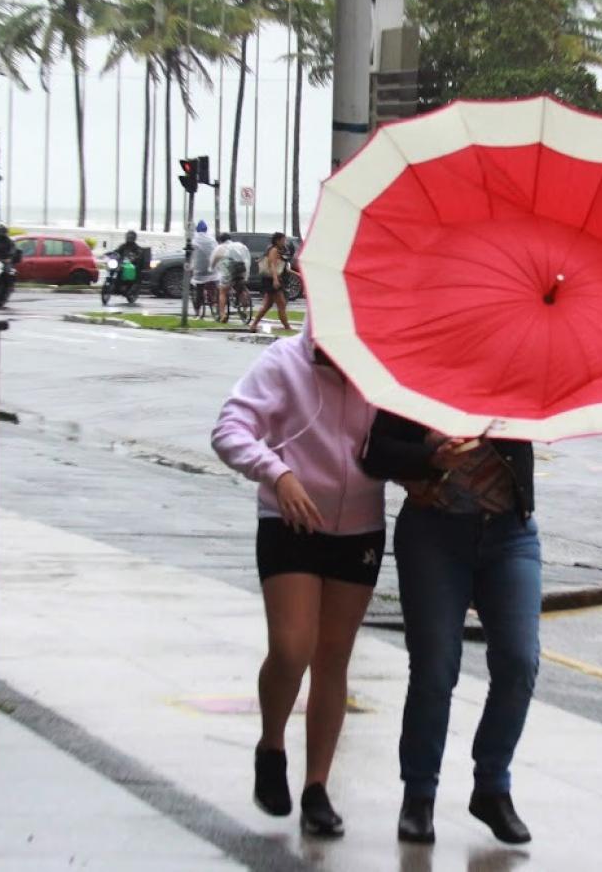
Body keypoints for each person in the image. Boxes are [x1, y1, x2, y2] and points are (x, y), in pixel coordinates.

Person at [211, 331, 385, 838]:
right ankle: (271, 745)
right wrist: (276, 473)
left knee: (332, 658)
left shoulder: (379, 367)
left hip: (360, 529)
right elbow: (229, 429)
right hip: (290, 522)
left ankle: (316, 788)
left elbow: (400, 443)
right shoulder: (285, 361)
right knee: (292, 648)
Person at [361, 414, 541, 846]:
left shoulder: (517, 378)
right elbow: (375, 453)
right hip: (434, 534)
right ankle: (419, 795)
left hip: (509, 533)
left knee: (520, 661)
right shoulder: (418, 379)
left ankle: (492, 786)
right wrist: (430, 456)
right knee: (435, 668)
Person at [250, 232, 294, 333]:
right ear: (277, 240)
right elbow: (272, 266)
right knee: (281, 303)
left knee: (267, 305)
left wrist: (298, 275)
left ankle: (253, 325)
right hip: (270, 280)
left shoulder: (280, 251)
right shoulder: (273, 250)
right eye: (283, 240)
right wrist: (275, 279)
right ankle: (287, 327)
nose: (284, 242)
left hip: (274, 279)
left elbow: (283, 267)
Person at [213, 233, 252, 322]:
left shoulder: (221, 248)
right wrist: (246, 274)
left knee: (223, 291)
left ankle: (223, 314)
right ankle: (245, 310)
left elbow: (216, 260)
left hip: (229, 269)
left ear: (220, 241)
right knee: (241, 289)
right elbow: (247, 258)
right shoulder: (240, 246)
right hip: (242, 267)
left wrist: (212, 268)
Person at [190, 221, 218, 317]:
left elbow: (190, 252)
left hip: (199, 270)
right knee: (213, 284)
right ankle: (214, 302)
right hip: (211, 269)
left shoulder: (194, 240)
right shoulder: (211, 239)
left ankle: (197, 310)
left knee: (198, 289)